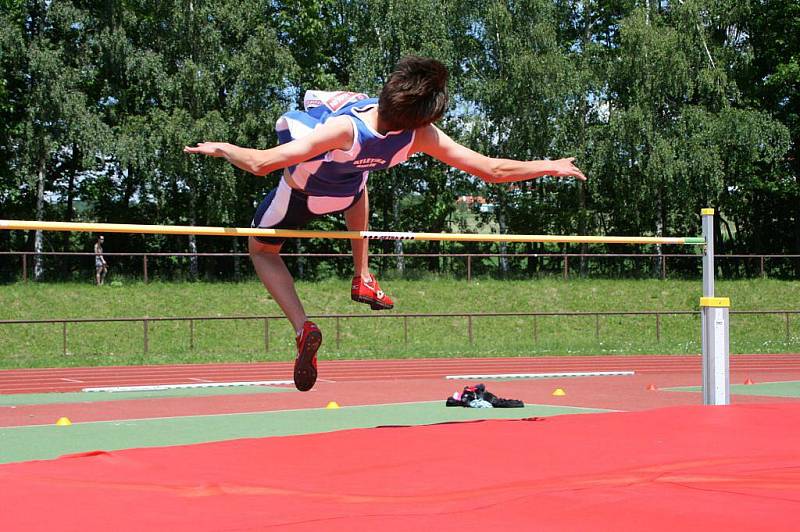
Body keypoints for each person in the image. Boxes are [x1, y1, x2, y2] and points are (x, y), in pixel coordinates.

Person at [184, 56, 586, 392]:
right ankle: (363, 274)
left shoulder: (345, 127)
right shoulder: (420, 135)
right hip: (346, 197)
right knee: (359, 182)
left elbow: (261, 163)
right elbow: (492, 170)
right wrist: (548, 166)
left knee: (262, 250)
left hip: (300, 196)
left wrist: (224, 148)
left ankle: (302, 326)